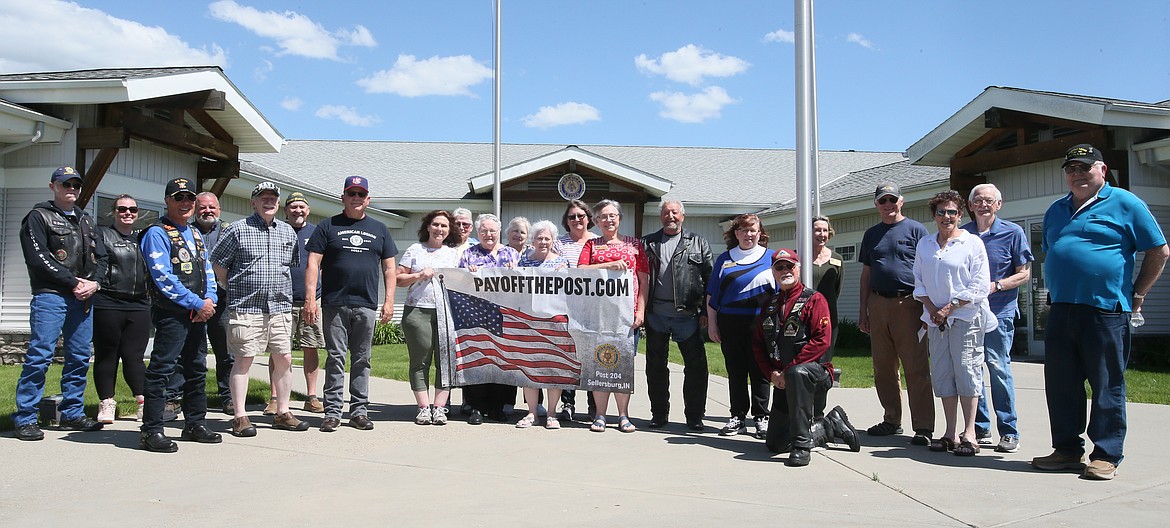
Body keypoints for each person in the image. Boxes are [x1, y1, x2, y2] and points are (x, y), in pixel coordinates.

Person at [1032, 144, 1168, 480]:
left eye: (1085, 167)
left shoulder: (1125, 203)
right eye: (1071, 169)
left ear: (1102, 170)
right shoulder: (1056, 210)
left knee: (1107, 384)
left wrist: (1138, 294)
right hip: (1061, 309)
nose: (1077, 174)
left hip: (1106, 311)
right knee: (1062, 385)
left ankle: (1107, 454)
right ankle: (1066, 450)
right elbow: (1053, 252)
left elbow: (1159, 251)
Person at [13, 166, 104, 441]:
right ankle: (25, 417)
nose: (72, 190)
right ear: (53, 186)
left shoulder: (86, 220)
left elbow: (103, 258)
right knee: (40, 356)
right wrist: (73, 282)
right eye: (66, 185)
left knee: (78, 358)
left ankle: (72, 413)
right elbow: (38, 258)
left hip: (83, 297)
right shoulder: (38, 217)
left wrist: (94, 283)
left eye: (76, 185)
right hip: (51, 295)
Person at [211, 182, 308, 437]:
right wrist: (232, 287)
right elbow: (219, 265)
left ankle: (283, 412)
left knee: (284, 358)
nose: (269, 202)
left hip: (279, 307)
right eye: (263, 198)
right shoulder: (237, 230)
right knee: (243, 360)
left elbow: (290, 267)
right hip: (247, 307)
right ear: (253, 202)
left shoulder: (287, 232)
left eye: (273, 198)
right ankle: (240, 417)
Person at [304, 176, 398, 433]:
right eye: (351, 193)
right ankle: (332, 412)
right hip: (335, 303)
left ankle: (359, 412)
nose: (356, 198)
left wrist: (389, 301)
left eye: (361, 194)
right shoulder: (327, 226)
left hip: (366, 303)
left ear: (367, 199)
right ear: (343, 197)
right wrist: (311, 299)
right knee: (335, 357)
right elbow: (313, 263)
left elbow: (390, 268)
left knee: (362, 359)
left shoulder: (380, 229)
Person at [753, 248, 860, 466]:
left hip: (815, 375)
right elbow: (757, 345)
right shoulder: (769, 305)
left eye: (790, 266)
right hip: (784, 381)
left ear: (798, 269)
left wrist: (788, 369)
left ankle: (802, 446)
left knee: (796, 372)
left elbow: (822, 341)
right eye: (779, 267)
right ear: (773, 272)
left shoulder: (815, 300)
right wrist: (771, 374)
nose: (785, 271)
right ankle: (829, 425)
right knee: (775, 443)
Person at [138, 177, 221, 452]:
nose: (185, 203)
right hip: (172, 313)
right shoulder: (156, 233)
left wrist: (210, 300)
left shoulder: (195, 233)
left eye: (189, 198)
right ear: (167, 201)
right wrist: (197, 303)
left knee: (197, 370)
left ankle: (195, 423)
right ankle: (151, 430)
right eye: (178, 198)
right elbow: (163, 278)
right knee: (162, 370)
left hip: (198, 314)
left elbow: (207, 269)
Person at [913, 190, 993, 457]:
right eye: (941, 212)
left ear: (960, 214)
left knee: (967, 371)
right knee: (944, 373)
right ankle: (949, 432)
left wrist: (949, 308)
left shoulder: (972, 244)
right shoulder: (925, 245)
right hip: (935, 320)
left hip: (966, 317)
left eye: (952, 212)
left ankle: (970, 433)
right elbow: (919, 282)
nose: (946, 217)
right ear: (934, 215)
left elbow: (979, 285)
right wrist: (933, 310)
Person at [859, 182, 935, 445]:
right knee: (883, 368)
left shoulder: (917, 231)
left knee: (916, 367)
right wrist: (863, 311)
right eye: (883, 201)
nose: (888, 205)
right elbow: (866, 274)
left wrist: (928, 306)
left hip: (909, 305)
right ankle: (892, 419)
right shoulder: (871, 235)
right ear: (877, 205)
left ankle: (923, 427)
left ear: (901, 201)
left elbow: (927, 269)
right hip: (878, 304)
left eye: (892, 199)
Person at [962, 184, 1032, 453]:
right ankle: (979, 428)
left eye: (989, 201)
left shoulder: (1013, 232)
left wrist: (997, 286)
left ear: (999, 204)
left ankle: (1009, 431)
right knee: (972, 371)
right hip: (968, 314)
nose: (983, 205)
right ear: (970, 206)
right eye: (978, 200)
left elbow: (1024, 273)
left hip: (999, 313)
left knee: (998, 369)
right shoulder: (963, 234)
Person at [578, 199, 649, 433]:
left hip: (627, 317)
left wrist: (641, 310)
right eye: (603, 217)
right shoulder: (591, 245)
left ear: (619, 218)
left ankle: (623, 415)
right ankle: (599, 415)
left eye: (612, 215)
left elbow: (643, 279)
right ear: (596, 222)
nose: (608, 220)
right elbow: (579, 271)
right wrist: (608, 265)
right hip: (597, 316)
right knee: (599, 364)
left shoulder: (634, 245)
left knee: (624, 366)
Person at [641, 200, 713, 431]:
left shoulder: (698, 242)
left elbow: (710, 280)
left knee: (696, 367)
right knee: (655, 367)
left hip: (688, 316)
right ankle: (659, 414)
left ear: (683, 216)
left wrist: (705, 312)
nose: (670, 216)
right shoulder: (648, 242)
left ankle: (694, 416)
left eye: (674, 212)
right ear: (660, 216)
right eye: (665, 213)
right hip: (656, 315)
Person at [165, 192, 233, 418]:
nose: (207, 211)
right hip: (190, 302)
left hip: (221, 301)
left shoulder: (230, 231)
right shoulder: (183, 232)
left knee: (225, 353)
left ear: (219, 209)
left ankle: (228, 397)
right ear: (196, 208)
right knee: (188, 352)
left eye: (212, 207)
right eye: (203, 207)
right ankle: (175, 397)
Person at [706, 213, 774, 438]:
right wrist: (713, 324)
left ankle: (762, 418)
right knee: (736, 372)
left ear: (760, 233)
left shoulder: (772, 258)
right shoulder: (724, 259)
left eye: (753, 230)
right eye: (744, 230)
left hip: (761, 325)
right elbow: (712, 295)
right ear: (736, 233)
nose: (748, 234)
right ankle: (737, 416)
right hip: (730, 324)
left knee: (760, 372)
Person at [397, 210, 461, 426]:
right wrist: (418, 275)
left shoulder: (453, 254)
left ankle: (440, 408)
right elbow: (398, 278)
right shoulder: (415, 250)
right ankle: (423, 408)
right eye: (435, 224)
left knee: (445, 361)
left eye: (444, 226)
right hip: (418, 311)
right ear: (427, 226)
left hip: (446, 313)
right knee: (420, 361)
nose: (439, 229)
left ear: (449, 230)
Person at [458, 213, 521, 424]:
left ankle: (498, 407)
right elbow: (457, 285)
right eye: (484, 230)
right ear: (478, 232)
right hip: (476, 316)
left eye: (492, 230)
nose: (488, 234)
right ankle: (476, 406)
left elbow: (524, 284)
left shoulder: (512, 254)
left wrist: (516, 273)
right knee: (478, 359)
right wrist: (467, 274)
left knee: (502, 360)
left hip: (505, 315)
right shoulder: (468, 255)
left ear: (499, 231)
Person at [92, 194, 149, 424]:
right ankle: (107, 402)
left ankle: (143, 402)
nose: (128, 213)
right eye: (122, 209)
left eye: (133, 209)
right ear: (113, 212)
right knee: (107, 355)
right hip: (108, 301)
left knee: (134, 356)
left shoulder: (143, 238)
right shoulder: (102, 234)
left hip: (139, 304)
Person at [515, 220, 570, 429]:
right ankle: (531, 412)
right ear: (533, 240)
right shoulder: (524, 261)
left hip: (555, 321)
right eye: (539, 238)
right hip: (529, 321)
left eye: (547, 238)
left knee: (553, 367)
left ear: (553, 240)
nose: (543, 242)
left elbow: (570, 293)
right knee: (530, 367)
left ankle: (552, 413)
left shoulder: (562, 262)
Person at [553, 199, 594, 422]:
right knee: (569, 354)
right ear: (566, 221)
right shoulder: (559, 244)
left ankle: (594, 404)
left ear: (588, 218)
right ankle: (568, 403)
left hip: (594, 309)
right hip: (567, 307)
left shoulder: (599, 242)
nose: (577, 220)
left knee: (590, 356)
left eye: (581, 215)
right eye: (572, 217)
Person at [284, 192, 326, 413]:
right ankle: (275, 397)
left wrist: (320, 297)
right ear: (286, 211)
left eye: (302, 207)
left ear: (308, 210)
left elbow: (326, 267)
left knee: (311, 347)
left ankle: (311, 396)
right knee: (280, 351)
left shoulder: (317, 233)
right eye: (293, 207)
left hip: (311, 301)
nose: (298, 211)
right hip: (282, 300)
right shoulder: (278, 231)